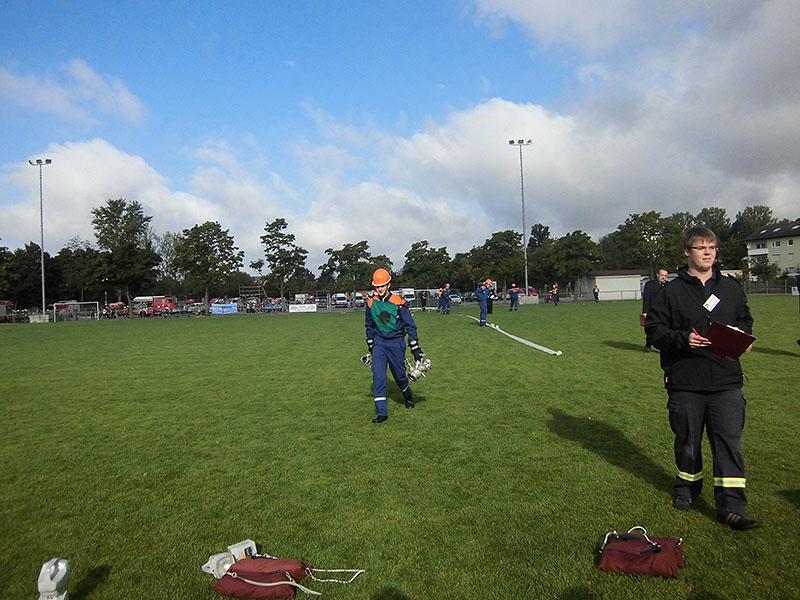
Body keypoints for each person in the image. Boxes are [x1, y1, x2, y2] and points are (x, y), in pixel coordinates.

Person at [645, 226, 759, 530]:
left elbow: (745, 320)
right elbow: (654, 331)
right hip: (686, 380)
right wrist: (683, 339)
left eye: (712, 247)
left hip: (726, 380)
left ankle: (732, 507)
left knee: (729, 443)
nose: (708, 252)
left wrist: (744, 338)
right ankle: (687, 490)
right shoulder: (670, 292)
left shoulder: (731, 288)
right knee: (687, 441)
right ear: (687, 252)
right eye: (700, 247)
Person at [365, 268, 425, 424]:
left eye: (382, 285)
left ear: (388, 285)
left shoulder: (399, 303)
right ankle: (381, 413)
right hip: (379, 343)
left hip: (396, 342)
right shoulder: (371, 303)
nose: (379, 289)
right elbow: (369, 325)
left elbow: (410, 326)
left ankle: (407, 396)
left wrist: (415, 346)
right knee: (378, 376)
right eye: (377, 286)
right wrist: (370, 343)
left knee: (399, 376)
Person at [642, 268, 669, 351]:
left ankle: (662, 346)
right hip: (652, 311)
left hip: (664, 312)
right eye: (662, 275)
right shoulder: (649, 284)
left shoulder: (668, 285)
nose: (663, 277)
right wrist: (645, 311)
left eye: (665, 276)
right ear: (657, 275)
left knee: (663, 329)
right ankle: (648, 344)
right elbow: (646, 298)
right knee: (650, 329)